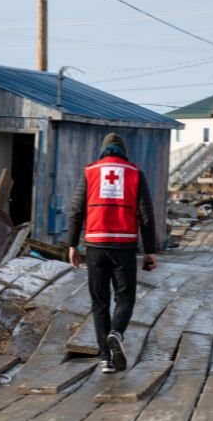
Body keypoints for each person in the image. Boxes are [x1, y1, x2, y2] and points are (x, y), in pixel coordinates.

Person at [67, 133, 158, 374]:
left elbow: (76, 211)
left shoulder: (90, 172)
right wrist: (150, 251)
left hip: (95, 245)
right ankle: (116, 332)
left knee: (99, 303)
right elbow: (147, 216)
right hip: (124, 245)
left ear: (104, 150)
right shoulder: (135, 173)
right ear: (123, 151)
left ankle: (106, 358)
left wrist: (72, 245)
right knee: (125, 298)